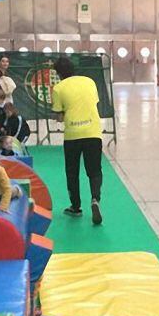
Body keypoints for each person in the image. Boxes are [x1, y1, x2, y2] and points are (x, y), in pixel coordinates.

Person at [51, 56, 103, 224]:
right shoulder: (89, 81)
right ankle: (95, 199)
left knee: (72, 171)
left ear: (59, 73)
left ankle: (75, 206)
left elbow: (59, 116)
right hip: (93, 132)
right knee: (94, 170)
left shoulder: (58, 88)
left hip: (72, 134)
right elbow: (93, 102)